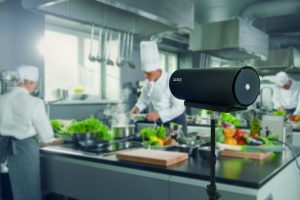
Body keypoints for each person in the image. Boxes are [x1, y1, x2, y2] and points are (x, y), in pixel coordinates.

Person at [0, 65, 62, 200]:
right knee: (27, 192)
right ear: (32, 82)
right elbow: (46, 135)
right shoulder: (35, 102)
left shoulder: (2, 99)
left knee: (6, 191)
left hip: (3, 153)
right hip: (23, 153)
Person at [131, 41, 187, 134]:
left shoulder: (172, 80)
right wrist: (137, 108)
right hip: (160, 123)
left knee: (175, 146)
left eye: (148, 73)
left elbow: (179, 108)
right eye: (144, 73)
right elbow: (144, 100)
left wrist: (158, 114)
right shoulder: (148, 82)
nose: (145, 76)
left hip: (176, 122)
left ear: (157, 70)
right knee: (159, 146)